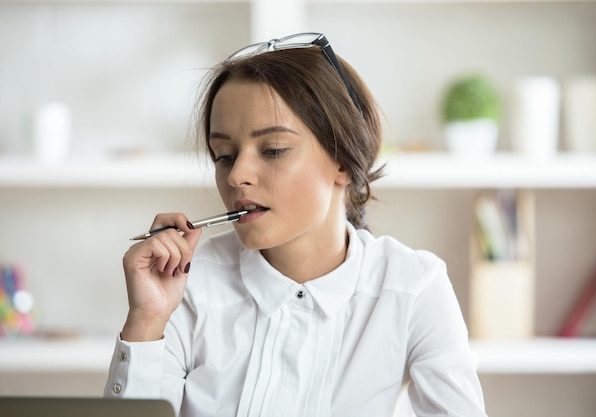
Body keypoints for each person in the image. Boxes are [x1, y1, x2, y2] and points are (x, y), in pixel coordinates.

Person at [104, 32, 487, 417]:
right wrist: (147, 320)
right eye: (223, 155)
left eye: (272, 150)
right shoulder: (189, 284)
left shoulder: (413, 287)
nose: (237, 175)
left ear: (342, 160)